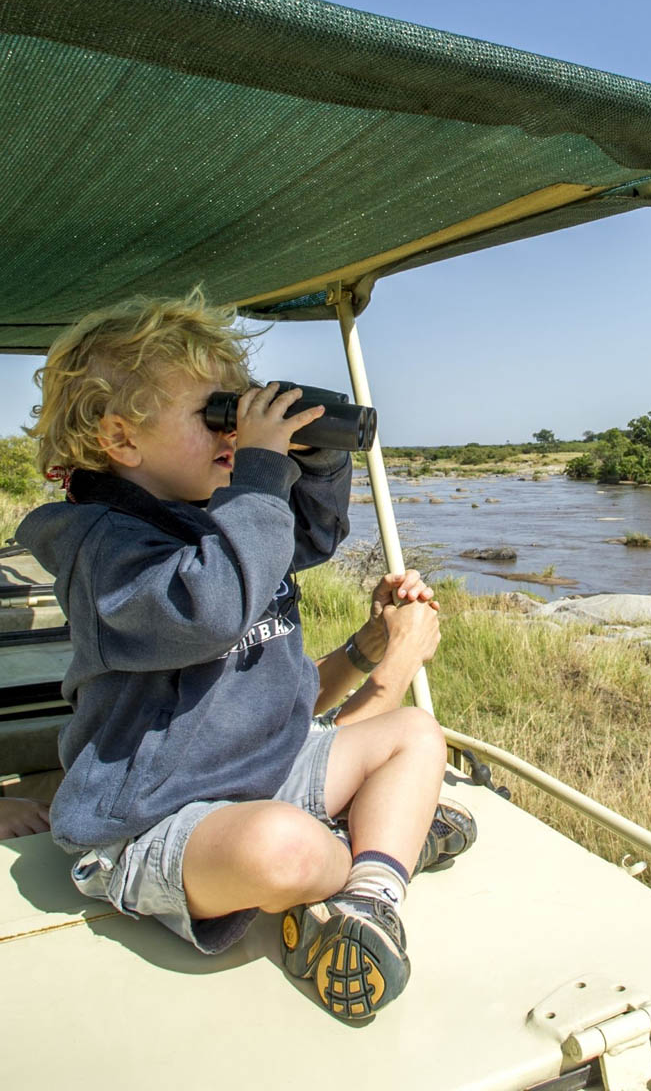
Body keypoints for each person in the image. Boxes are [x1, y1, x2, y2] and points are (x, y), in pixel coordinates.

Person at [15, 288, 475, 1022]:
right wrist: (258, 469)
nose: (235, 431)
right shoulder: (102, 549)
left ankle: (372, 897)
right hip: (154, 820)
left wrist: (312, 463)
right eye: (215, 415)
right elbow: (212, 610)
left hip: (265, 773)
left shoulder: (217, 514)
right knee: (283, 852)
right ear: (122, 439)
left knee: (415, 736)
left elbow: (307, 541)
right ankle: (376, 848)